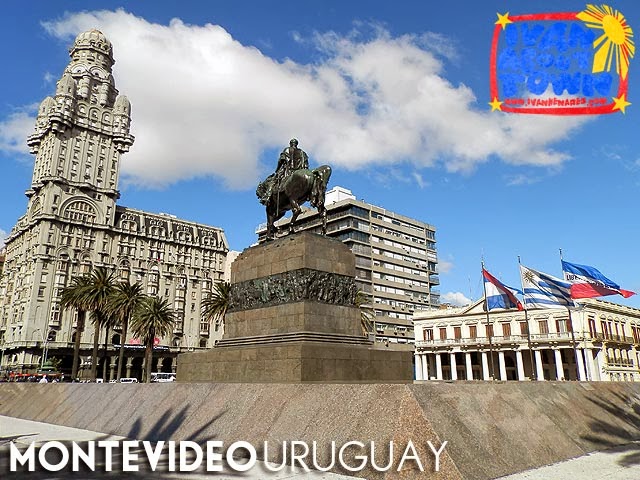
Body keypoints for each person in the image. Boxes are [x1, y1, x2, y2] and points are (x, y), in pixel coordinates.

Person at [257, 139, 309, 205]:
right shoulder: (302, 152)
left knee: (273, 181)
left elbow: (281, 160)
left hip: (288, 171)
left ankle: (267, 197)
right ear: (296, 144)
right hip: (300, 171)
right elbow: (306, 165)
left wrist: (277, 170)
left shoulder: (287, 149)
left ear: (290, 144)